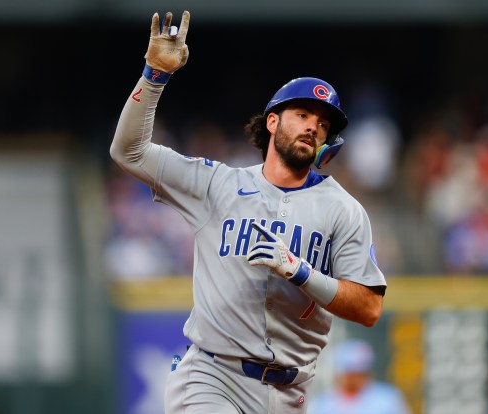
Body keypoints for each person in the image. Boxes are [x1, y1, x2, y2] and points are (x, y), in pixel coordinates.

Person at [110, 10, 387, 414]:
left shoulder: (344, 210)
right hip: (213, 375)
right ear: (273, 122)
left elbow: (368, 307)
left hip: (291, 391)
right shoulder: (217, 184)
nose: (313, 126)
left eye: (324, 123)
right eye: (303, 115)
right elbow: (128, 152)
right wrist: (154, 75)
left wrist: (302, 272)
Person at [308, 340, 411, 414]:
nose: (353, 378)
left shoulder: (388, 399)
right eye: (349, 373)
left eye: (358, 373)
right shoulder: (323, 403)